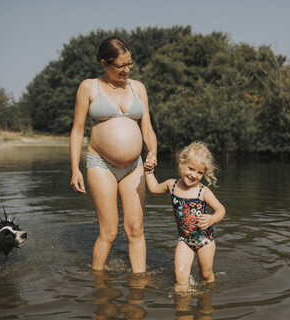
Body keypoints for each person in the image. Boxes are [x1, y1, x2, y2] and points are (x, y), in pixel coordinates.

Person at [70, 36, 157, 273]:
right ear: (104, 63)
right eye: (121, 65)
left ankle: (139, 283)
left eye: (130, 63)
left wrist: (153, 153)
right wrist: (75, 168)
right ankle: (98, 283)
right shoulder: (89, 87)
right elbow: (77, 131)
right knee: (108, 231)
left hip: (134, 167)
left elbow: (147, 127)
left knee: (136, 229)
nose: (127, 70)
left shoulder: (138, 87)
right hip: (101, 165)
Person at [144, 141, 225, 290]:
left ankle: (208, 298)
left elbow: (221, 209)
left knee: (206, 275)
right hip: (184, 240)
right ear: (182, 163)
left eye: (200, 172)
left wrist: (212, 218)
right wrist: (149, 172)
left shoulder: (203, 192)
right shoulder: (172, 185)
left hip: (205, 241)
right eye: (191, 168)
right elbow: (154, 188)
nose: (194, 175)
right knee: (180, 277)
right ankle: (182, 307)